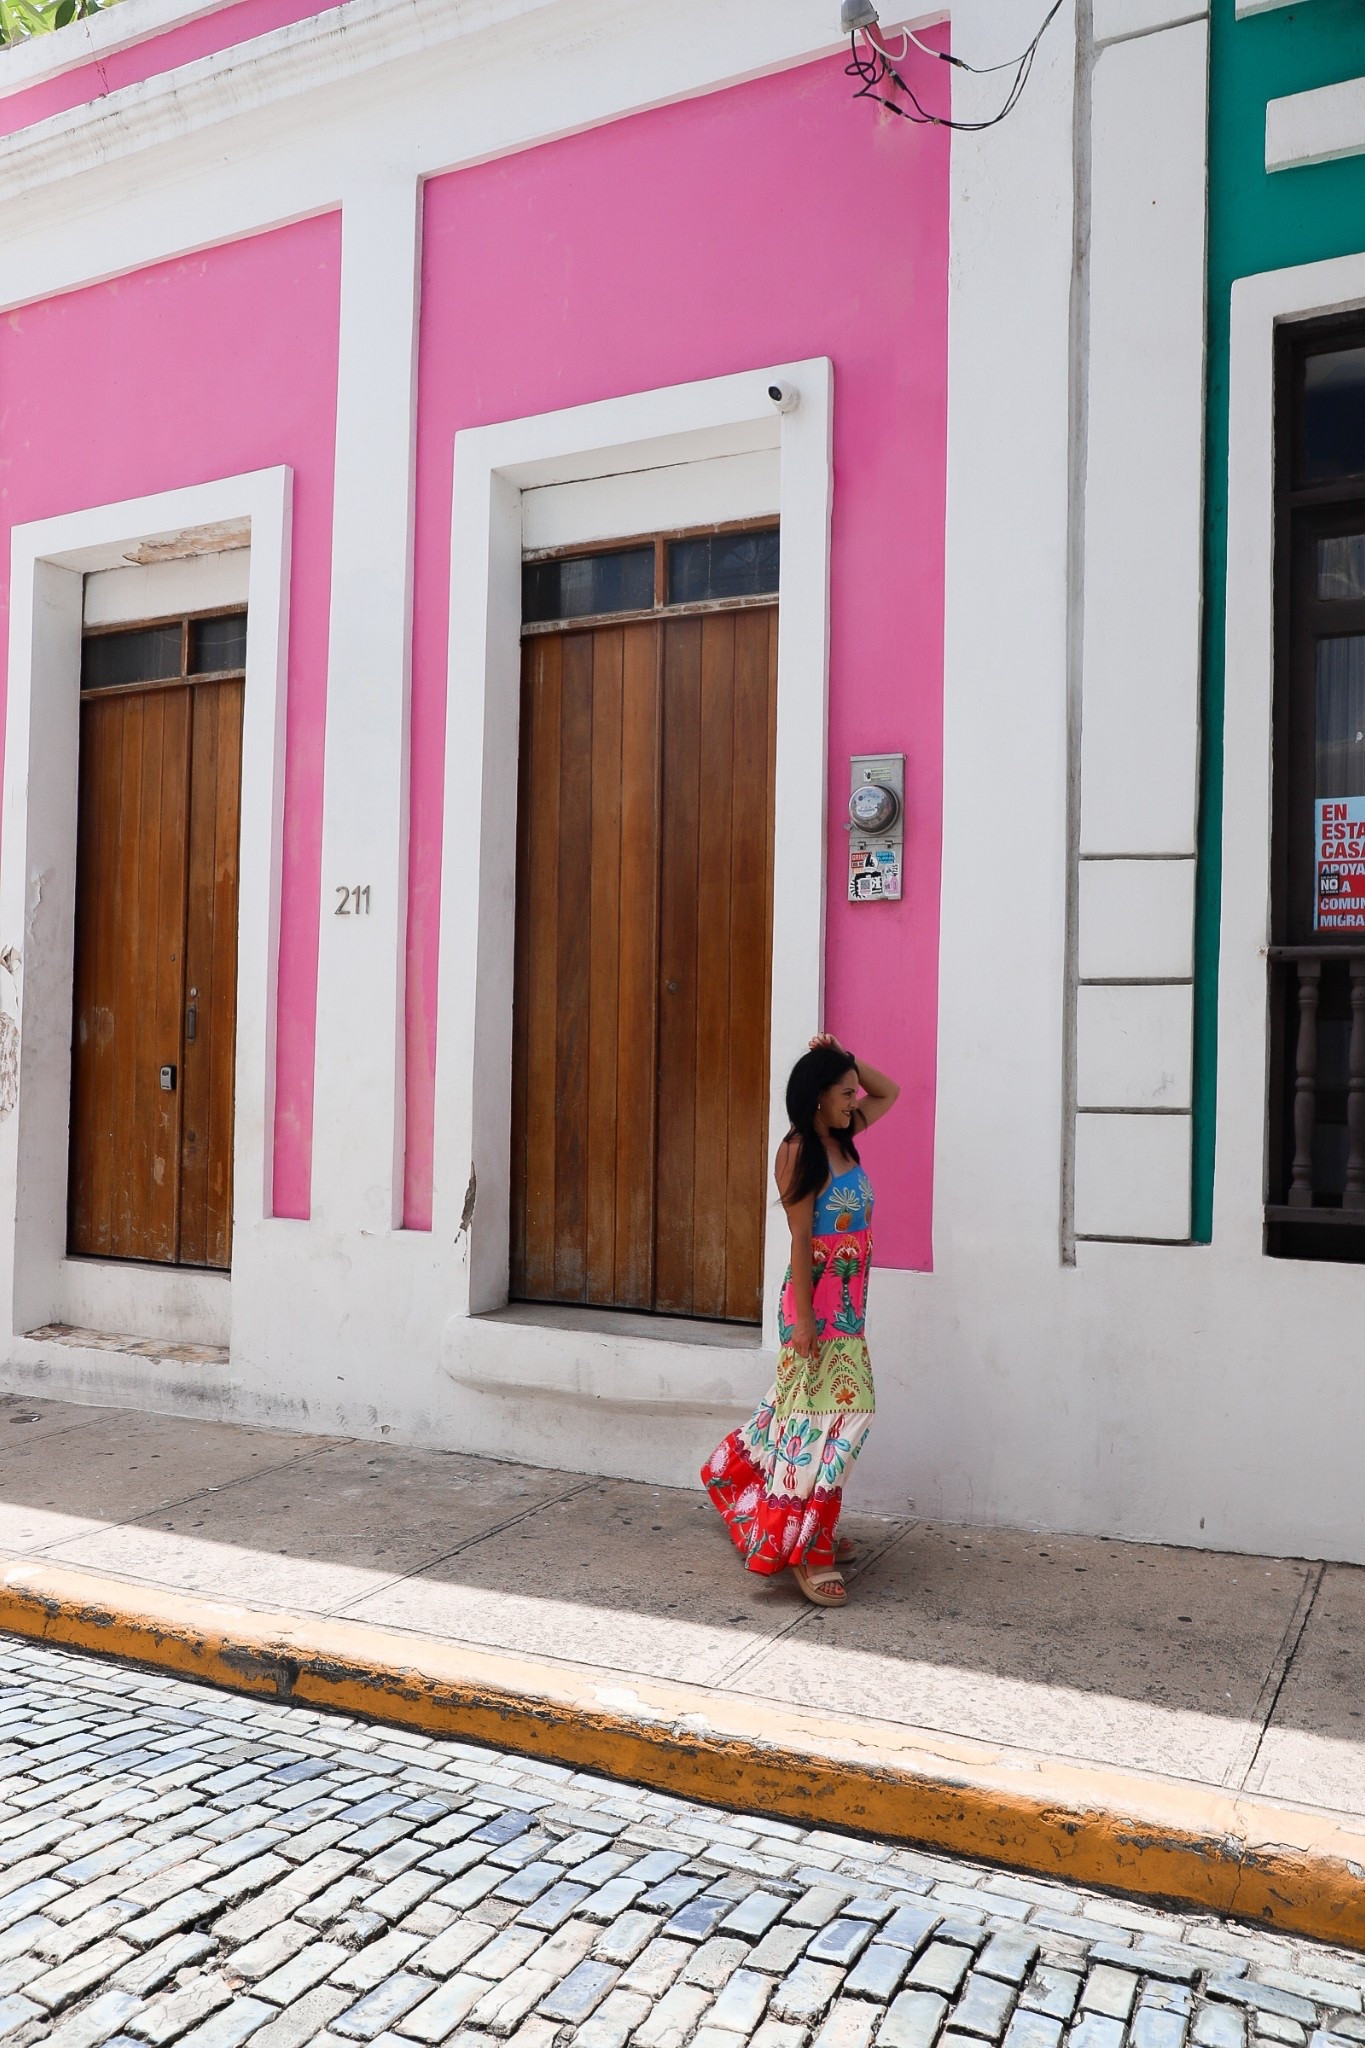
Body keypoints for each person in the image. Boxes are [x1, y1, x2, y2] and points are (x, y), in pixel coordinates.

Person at [701, 1035, 900, 1606]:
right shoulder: (798, 1152)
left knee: (807, 1417)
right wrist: (807, 1322)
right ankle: (806, 1547)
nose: (853, 1098)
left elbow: (891, 1091)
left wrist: (846, 1057)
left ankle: (764, 1496)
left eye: (851, 1092)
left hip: (849, 1308)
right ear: (817, 1097)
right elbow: (799, 1242)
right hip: (815, 1310)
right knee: (831, 1421)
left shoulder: (844, 1137)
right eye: (843, 1092)